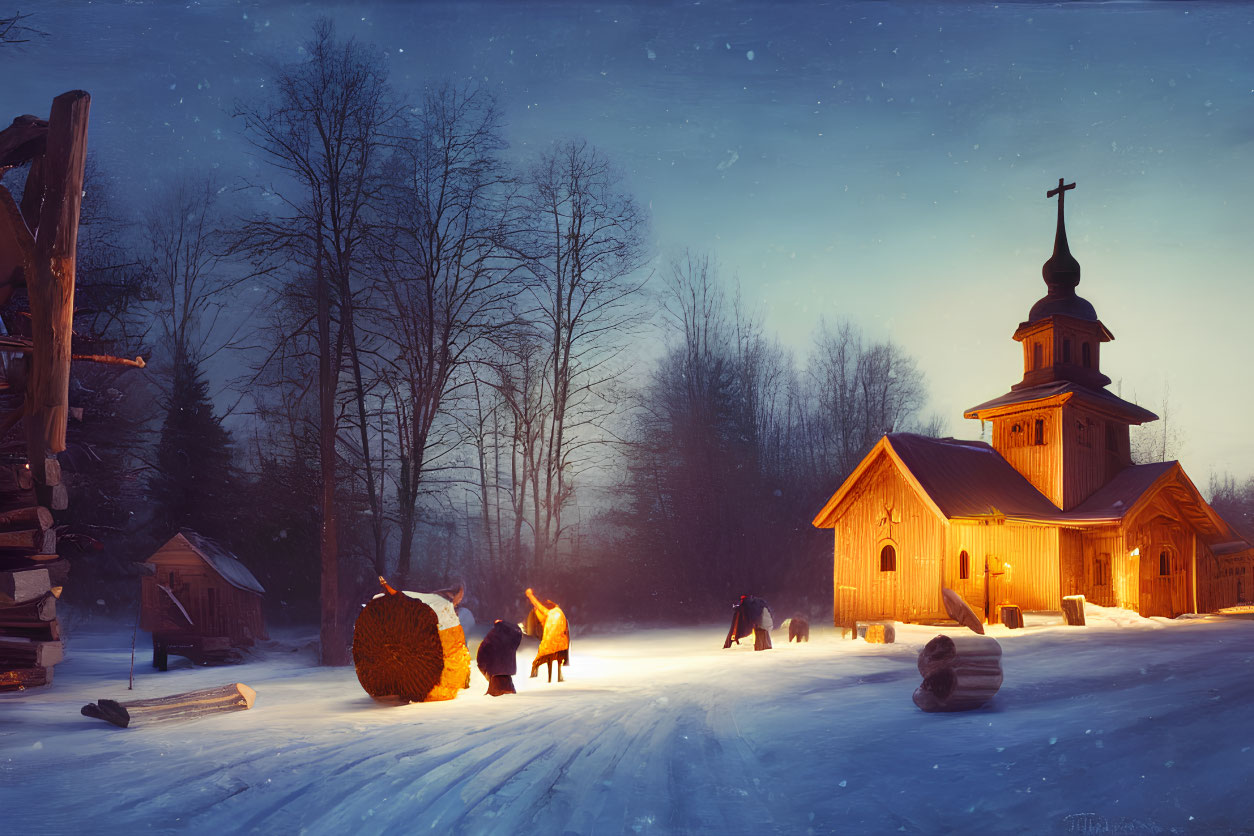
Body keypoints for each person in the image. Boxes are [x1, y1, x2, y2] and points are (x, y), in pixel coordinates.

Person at [524, 587, 570, 682]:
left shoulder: (548, 613)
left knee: (540, 657)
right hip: (561, 646)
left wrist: (530, 595)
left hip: (549, 646)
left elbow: (537, 605)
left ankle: (535, 671)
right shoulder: (561, 614)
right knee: (558, 658)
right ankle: (559, 675)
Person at [476, 619, 523, 696]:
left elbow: (481, 654)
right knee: (509, 694)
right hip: (507, 676)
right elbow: (518, 632)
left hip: (494, 676)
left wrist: (484, 670)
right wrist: (504, 622)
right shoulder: (512, 637)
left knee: (496, 695)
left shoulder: (490, 637)